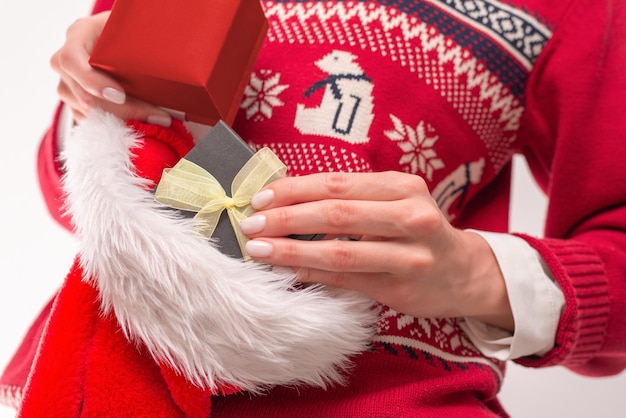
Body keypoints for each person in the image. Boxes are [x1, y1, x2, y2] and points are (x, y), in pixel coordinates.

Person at [1, 0, 625, 416]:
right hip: (114, 372)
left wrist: (473, 272)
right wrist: (93, 106)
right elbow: (78, 198)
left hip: (398, 397)